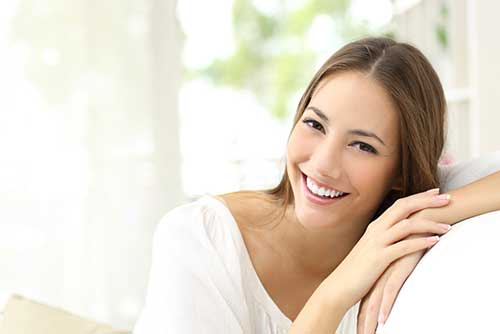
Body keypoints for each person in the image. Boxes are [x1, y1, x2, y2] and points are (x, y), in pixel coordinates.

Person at [133, 37, 500, 334]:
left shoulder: (414, 200)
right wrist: (335, 293)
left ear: (401, 172)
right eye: (315, 125)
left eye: (363, 146)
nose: (323, 164)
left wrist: (419, 216)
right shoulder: (200, 239)